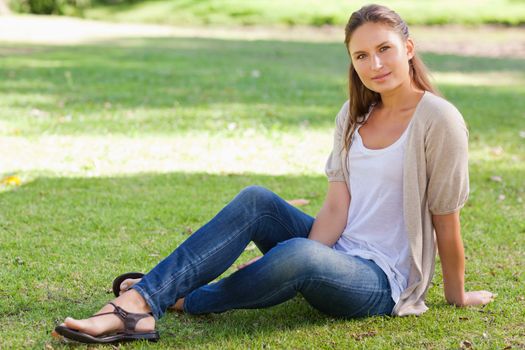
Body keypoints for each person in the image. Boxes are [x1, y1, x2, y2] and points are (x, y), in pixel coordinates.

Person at [53, 4, 494, 344]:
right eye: (361, 55)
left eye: (385, 50)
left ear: (408, 48)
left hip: (382, 283)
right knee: (257, 201)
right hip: (340, 249)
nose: (374, 64)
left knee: (299, 256)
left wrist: (456, 295)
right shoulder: (354, 114)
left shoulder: (439, 119)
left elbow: (446, 217)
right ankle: (140, 303)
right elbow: (337, 206)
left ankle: (181, 299)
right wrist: (304, 262)